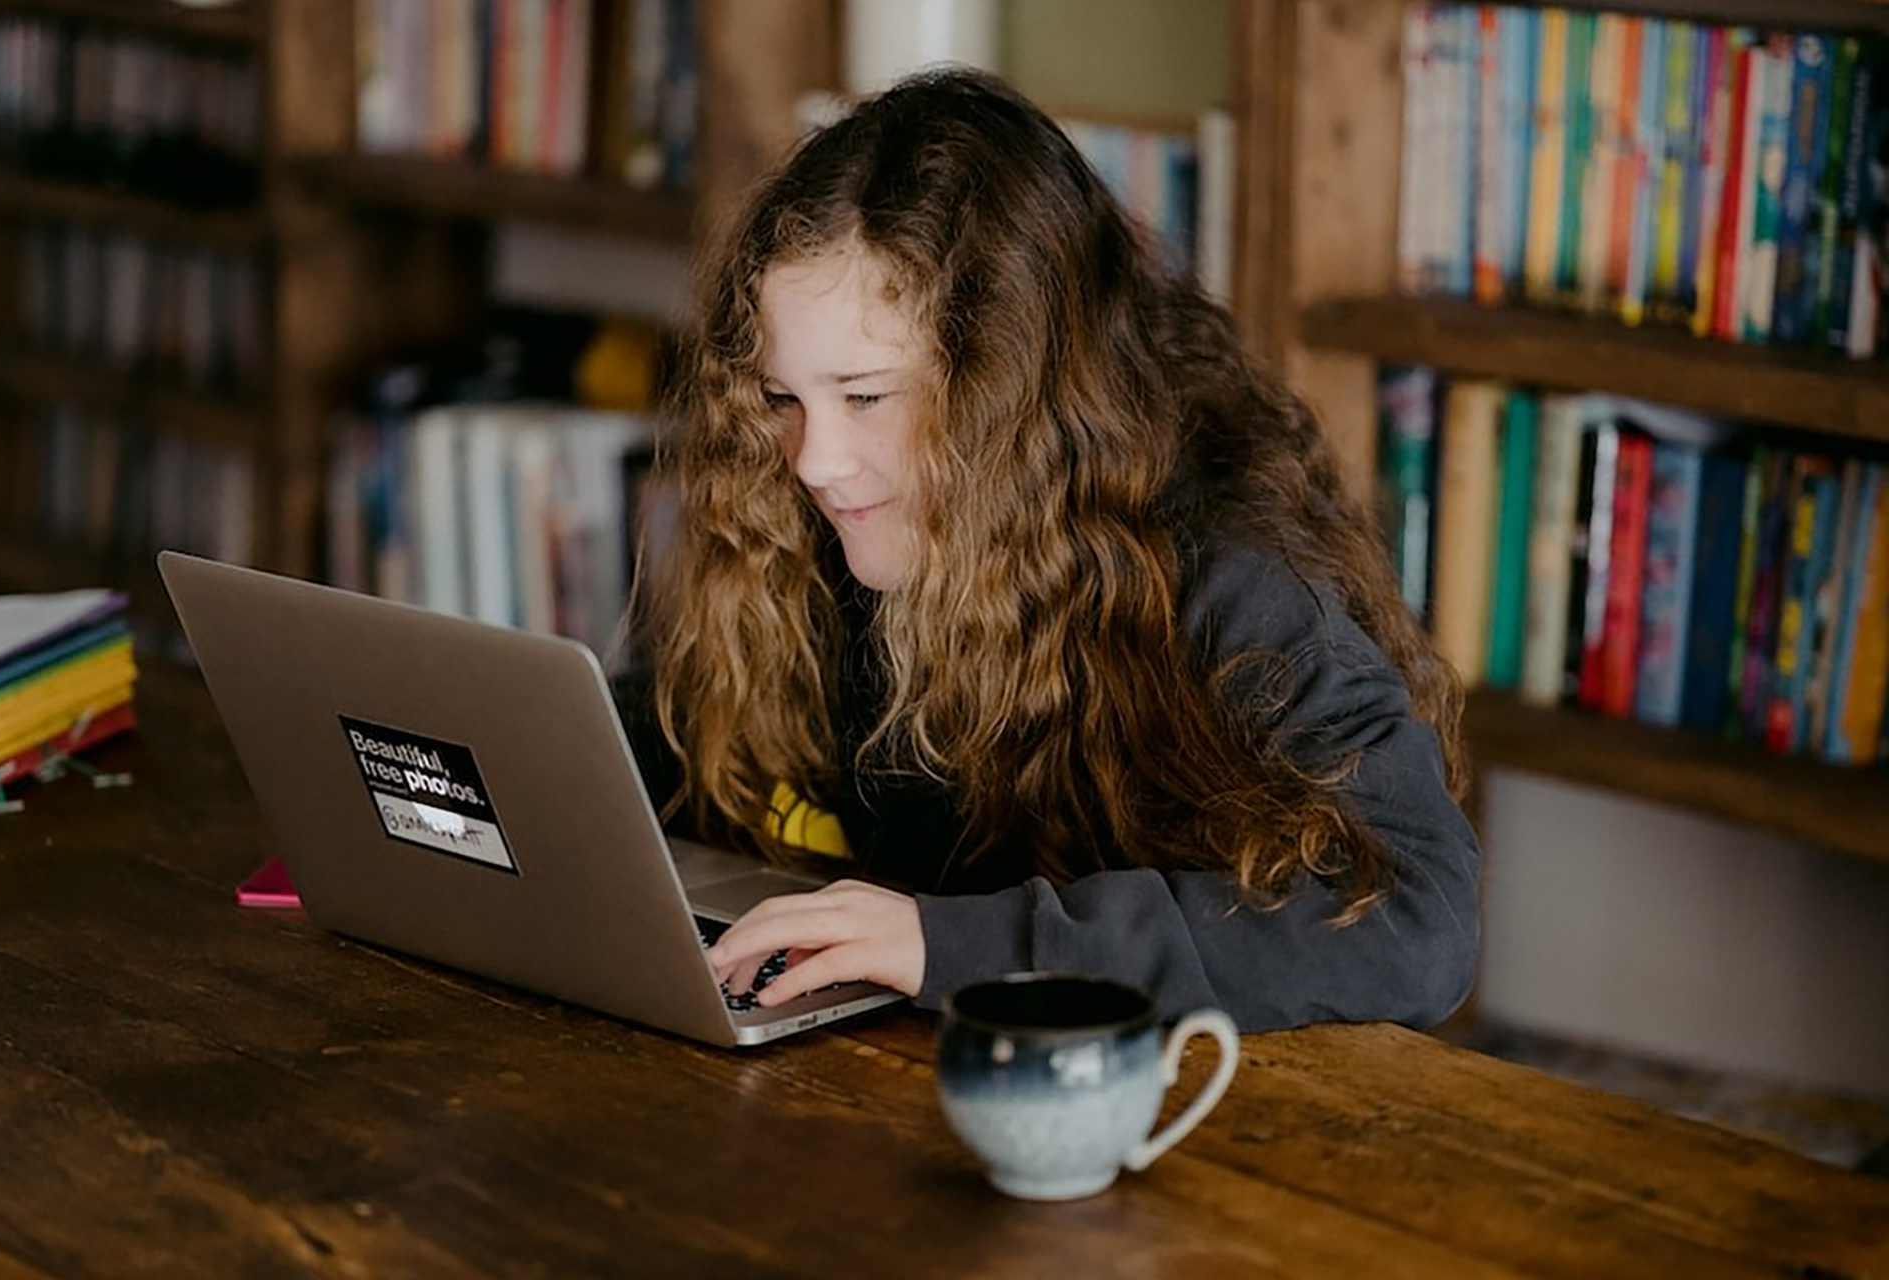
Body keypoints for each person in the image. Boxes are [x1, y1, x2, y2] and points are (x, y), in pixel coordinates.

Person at [616, 67, 1480, 1033]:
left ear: (1010, 390)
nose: (816, 462)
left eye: (866, 397)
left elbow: (1419, 921)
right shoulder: (833, 525)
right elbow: (681, 741)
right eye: (785, 399)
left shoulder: (1229, 571)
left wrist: (953, 944)